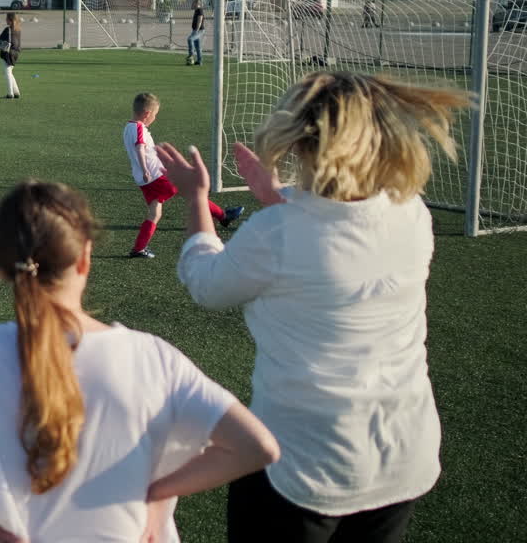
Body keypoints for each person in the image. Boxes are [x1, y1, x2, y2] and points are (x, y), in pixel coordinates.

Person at [156, 71, 470, 543]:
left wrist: (197, 198)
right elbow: (337, 222)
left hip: (303, 464)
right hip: (403, 455)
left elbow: (206, 282)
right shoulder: (413, 212)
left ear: (300, 140)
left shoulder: (277, 234)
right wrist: (275, 194)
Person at [0, 180, 279, 542]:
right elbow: (257, 446)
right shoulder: (153, 359)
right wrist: (156, 489)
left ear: (0, 266)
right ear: (85, 259)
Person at [124, 93, 242, 258]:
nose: (155, 118)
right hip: (156, 176)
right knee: (193, 193)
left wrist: (143, 171)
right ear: (147, 114)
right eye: (155, 115)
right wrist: (145, 169)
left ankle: (138, 248)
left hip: (145, 181)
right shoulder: (138, 128)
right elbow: (139, 148)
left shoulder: (128, 127)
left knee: (155, 212)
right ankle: (220, 223)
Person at [0, 12, 22, 99]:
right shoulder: (18, 29)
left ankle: (10, 93)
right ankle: (16, 92)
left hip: (7, 53)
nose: (5, 20)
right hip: (16, 53)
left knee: (7, 73)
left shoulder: (8, 29)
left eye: (7, 19)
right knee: (9, 73)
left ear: (10, 21)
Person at [186, 0, 206, 66]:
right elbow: (191, 7)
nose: (193, 5)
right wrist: (193, 5)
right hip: (195, 30)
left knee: (190, 39)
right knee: (198, 47)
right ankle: (199, 61)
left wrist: (196, 31)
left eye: (194, 3)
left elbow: (200, 21)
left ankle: (191, 54)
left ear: (197, 4)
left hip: (199, 30)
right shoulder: (196, 10)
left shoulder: (200, 10)